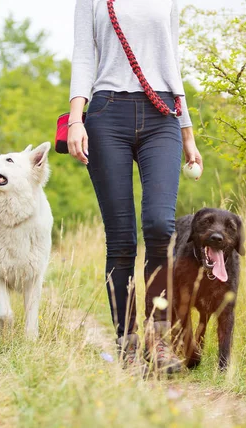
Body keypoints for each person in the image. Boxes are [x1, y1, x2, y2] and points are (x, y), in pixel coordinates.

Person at [68, 0, 203, 372]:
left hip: (163, 116)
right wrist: (76, 120)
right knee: (122, 238)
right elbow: (83, 56)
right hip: (106, 113)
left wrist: (187, 133)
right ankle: (128, 342)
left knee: (161, 226)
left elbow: (171, 62)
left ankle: (158, 340)